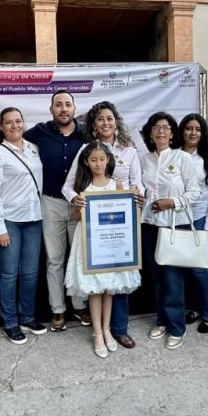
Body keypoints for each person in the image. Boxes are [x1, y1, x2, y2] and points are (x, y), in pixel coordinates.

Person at [0, 90, 87, 331]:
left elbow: (106, 143)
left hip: (57, 210)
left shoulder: (82, 134)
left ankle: (46, 313)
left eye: (68, 104)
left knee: (49, 267)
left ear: (74, 108)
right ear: (51, 109)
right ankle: (26, 318)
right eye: (58, 104)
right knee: (28, 268)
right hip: (31, 212)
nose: (63, 108)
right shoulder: (32, 136)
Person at [62, 100, 142, 348]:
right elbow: (69, 186)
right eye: (99, 119)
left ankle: (116, 330)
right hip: (92, 234)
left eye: (109, 118)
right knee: (97, 285)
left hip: (118, 230)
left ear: (116, 121)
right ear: (93, 125)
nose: (105, 123)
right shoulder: (86, 150)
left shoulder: (129, 149)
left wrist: (136, 197)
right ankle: (99, 332)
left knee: (115, 283)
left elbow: (137, 184)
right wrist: (76, 200)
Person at [0, 107, 46, 345]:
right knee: (9, 274)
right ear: (1, 127)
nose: (14, 125)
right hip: (9, 220)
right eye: (8, 122)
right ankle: (10, 322)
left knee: (30, 273)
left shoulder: (34, 148)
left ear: (23, 123)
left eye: (18, 121)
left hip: (34, 218)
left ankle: (27, 317)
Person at [140, 112, 200, 350]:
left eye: (165, 127)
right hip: (149, 224)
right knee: (156, 276)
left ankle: (176, 326)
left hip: (175, 225)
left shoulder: (182, 157)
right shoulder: (144, 159)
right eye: (156, 127)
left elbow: (194, 192)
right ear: (150, 133)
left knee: (172, 278)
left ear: (172, 133)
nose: (161, 131)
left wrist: (171, 202)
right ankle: (162, 320)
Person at [173, 113, 208, 334]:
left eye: (198, 129)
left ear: (203, 132)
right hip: (177, 218)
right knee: (184, 269)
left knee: (199, 268)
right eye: (188, 128)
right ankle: (194, 308)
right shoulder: (174, 153)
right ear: (182, 131)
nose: (193, 133)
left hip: (201, 218)